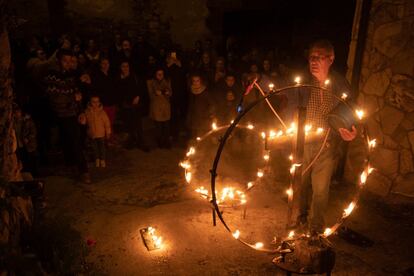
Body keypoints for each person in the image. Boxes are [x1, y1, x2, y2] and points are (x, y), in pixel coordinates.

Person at [293, 40, 357, 234]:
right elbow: (290, 105)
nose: (313, 61)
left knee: (320, 189)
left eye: (319, 57)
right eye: (311, 57)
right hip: (303, 142)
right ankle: (300, 218)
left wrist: (349, 129)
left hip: (327, 145)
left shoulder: (339, 84)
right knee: (300, 184)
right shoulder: (303, 81)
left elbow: (349, 109)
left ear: (331, 59)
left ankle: (315, 228)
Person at [44, 49, 90, 183]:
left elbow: (77, 94)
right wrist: (72, 97)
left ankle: (72, 164)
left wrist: (80, 111)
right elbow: (56, 97)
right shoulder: (52, 75)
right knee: (73, 139)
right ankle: (83, 170)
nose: (69, 63)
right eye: (66, 60)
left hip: (72, 112)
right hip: (61, 113)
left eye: (70, 61)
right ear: (59, 60)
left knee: (74, 139)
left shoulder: (71, 74)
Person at [117, 61, 149, 151]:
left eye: (127, 66)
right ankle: (131, 142)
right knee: (129, 125)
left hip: (136, 105)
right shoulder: (119, 79)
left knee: (138, 125)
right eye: (123, 66)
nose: (125, 68)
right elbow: (119, 92)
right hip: (126, 106)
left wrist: (138, 96)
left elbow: (142, 88)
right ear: (120, 68)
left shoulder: (135, 77)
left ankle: (141, 142)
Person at [82, 95, 111, 168]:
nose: (95, 103)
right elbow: (84, 122)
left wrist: (108, 132)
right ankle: (97, 159)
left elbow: (107, 123)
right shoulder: (87, 112)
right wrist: (82, 119)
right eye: (93, 102)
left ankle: (102, 160)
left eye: (97, 102)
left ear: (99, 102)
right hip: (92, 134)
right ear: (90, 102)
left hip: (101, 134)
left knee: (102, 148)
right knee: (94, 148)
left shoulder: (102, 112)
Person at [147, 68, 172, 148]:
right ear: (155, 74)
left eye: (162, 74)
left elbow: (170, 92)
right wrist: (161, 92)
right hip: (156, 107)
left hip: (165, 107)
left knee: (166, 126)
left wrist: (165, 93)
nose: (160, 76)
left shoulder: (167, 81)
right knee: (158, 126)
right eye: (158, 74)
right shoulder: (151, 82)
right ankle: (160, 142)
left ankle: (166, 142)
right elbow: (151, 95)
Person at [14, 107, 39, 177]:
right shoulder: (13, 123)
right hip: (19, 145)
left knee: (31, 160)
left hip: (27, 144)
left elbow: (34, 132)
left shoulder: (27, 121)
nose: (16, 114)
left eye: (18, 112)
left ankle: (34, 174)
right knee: (23, 161)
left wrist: (28, 138)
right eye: (15, 113)